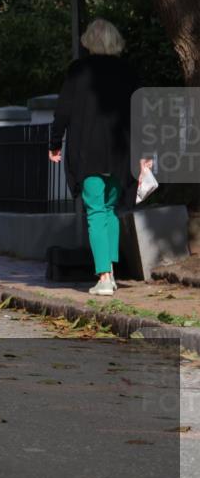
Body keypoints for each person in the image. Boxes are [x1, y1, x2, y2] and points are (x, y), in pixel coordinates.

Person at [49, 18, 141, 297]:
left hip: (87, 152)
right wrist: (145, 153)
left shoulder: (78, 71)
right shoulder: (127, 72)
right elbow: (141, 112)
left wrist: (55, 143)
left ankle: (103, 276)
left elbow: (63, 111)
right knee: (110, 210)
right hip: (119, 153)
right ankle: (110, 271)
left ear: (89, 41)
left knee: (95, 211)